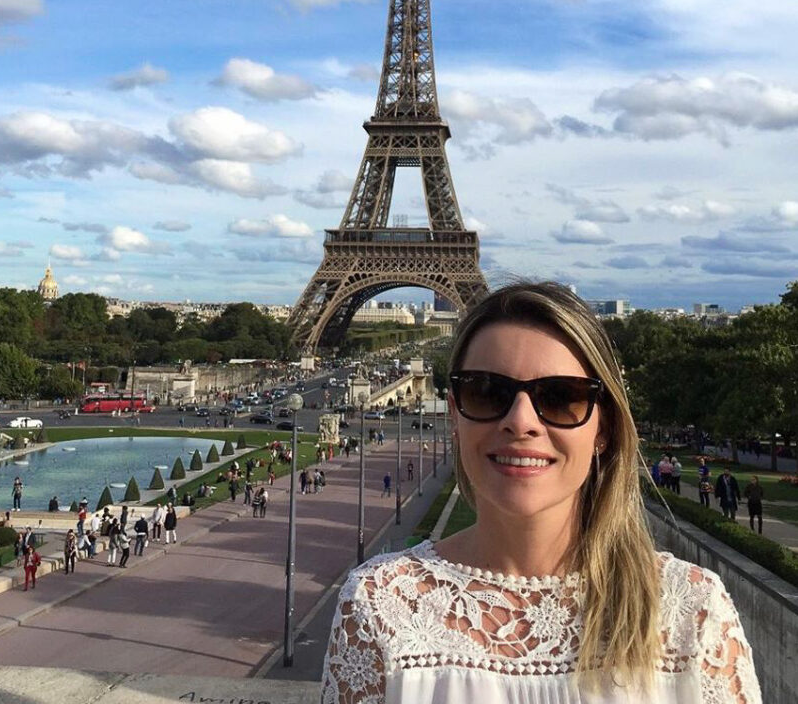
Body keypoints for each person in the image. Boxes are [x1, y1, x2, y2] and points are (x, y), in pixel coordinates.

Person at [321, 281, 762, 702]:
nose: (521, 421)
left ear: (603, 426)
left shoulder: (695, 612)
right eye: (487, 392)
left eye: (559, 397)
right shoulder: (377, 605)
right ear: (454, 414)